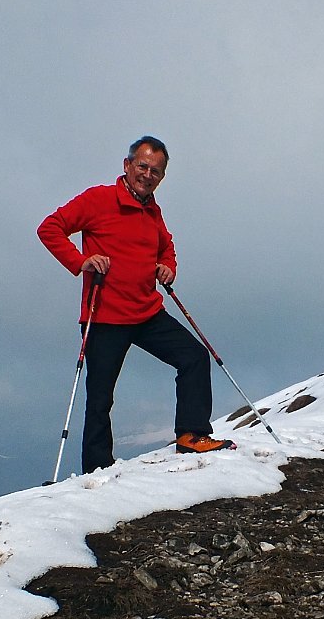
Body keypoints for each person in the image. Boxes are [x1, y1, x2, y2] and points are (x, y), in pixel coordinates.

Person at [38, 136, 236, 473]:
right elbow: (50, 228)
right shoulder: (98, 199)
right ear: (127, 165)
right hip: (105, 315)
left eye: (155, 171)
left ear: (162, 177)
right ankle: (97, 469)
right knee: (100, 397)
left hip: (146, 312)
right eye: (142, 166)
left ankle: (192, 436)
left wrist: (167, 267)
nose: (147, 175)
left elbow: (166, 245)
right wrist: (81, 260)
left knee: (193, 356)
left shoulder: (152, 210)